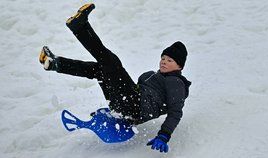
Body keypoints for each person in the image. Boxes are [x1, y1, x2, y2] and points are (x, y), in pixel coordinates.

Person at [39, 3, 191, 153]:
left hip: (134, 105)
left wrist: (164, 135)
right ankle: (55, 63)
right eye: (163, 58)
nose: (164, 61)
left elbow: (176, 112)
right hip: (124, 105)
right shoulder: (157, 76)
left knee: (111, 62)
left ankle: (80, 27)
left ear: (180, 67)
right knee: (100, 69)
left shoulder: (175, 82)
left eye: (170, 60)